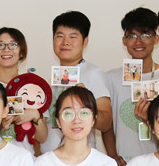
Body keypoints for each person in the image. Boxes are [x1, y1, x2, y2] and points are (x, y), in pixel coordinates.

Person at [104, 7, 159, 166]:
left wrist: (150, 118)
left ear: (156, 39)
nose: (138, 42)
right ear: (124, 40)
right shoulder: (112, 78)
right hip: (125, 164)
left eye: (145, 35)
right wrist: (112, 155)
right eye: (132, 36)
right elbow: (108, 124)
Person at [40, 11, 113, 156]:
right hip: (51, 157)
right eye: (60, 36)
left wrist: (85, 102)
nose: (65, 42)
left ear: (85, 42)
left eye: (73, 37)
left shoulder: (93, 73)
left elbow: (106, 123)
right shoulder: (51, 79)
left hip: (80, 157)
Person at [0, 27, 48, 150]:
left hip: (24, 157)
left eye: (13, 45)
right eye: (0, 45)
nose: (6, 49)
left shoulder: (34, 87)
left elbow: (42, 138)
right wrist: (0, 126)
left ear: (22, 53)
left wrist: (35, 115)